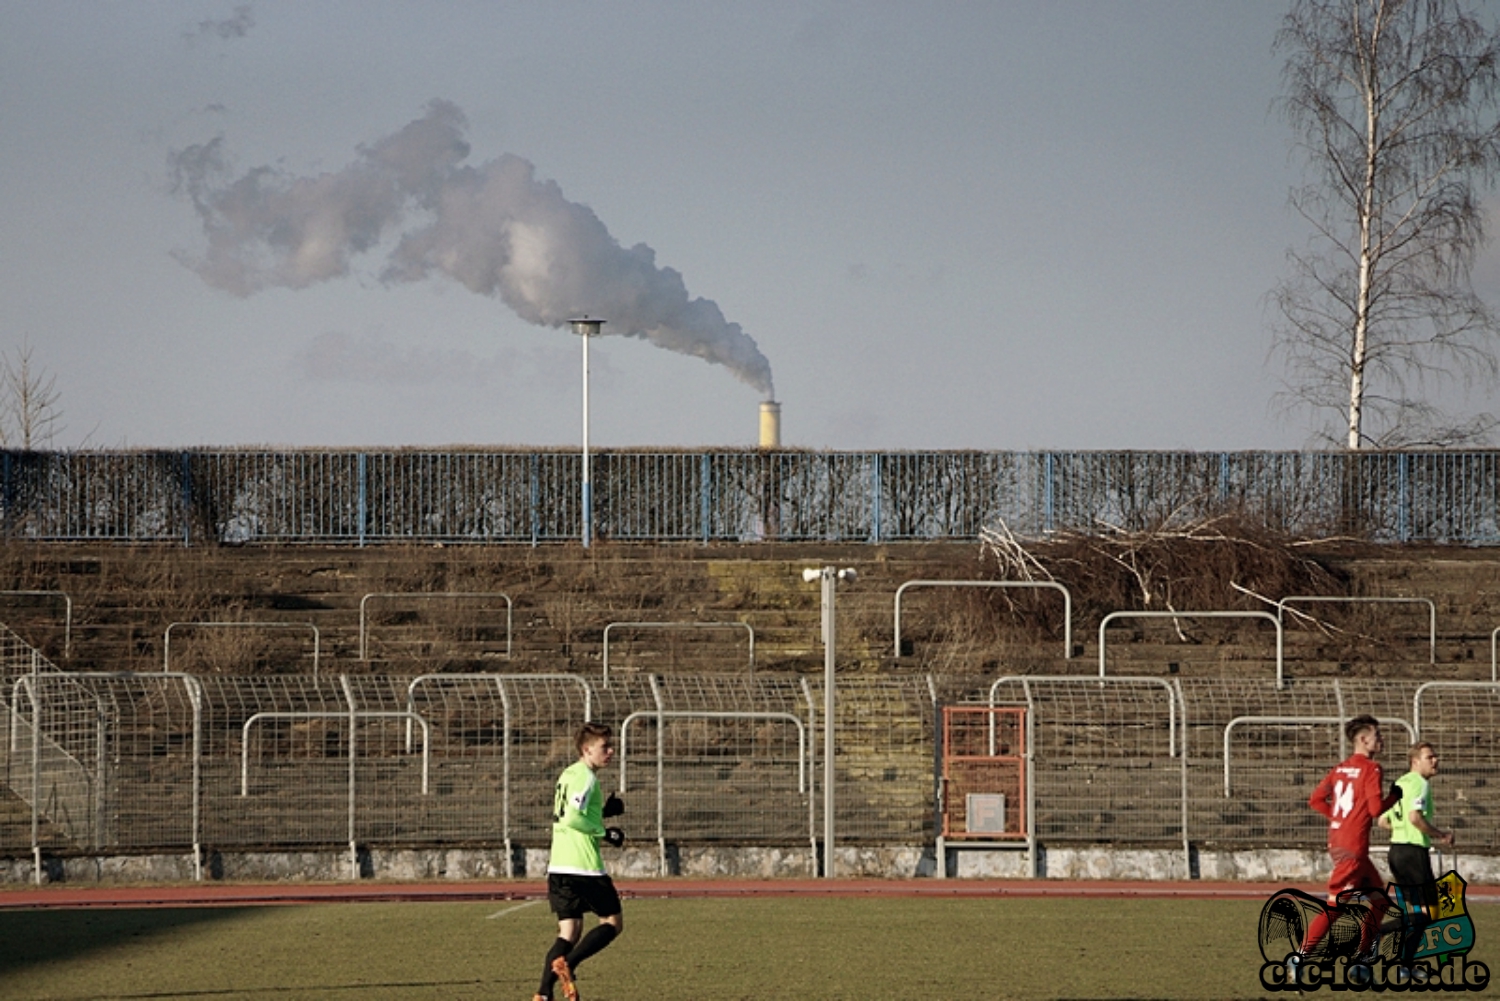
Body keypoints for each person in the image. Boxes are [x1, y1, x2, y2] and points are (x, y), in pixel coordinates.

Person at [1296, 714, 1403, 965]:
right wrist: (1395, 796)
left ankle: (1363, 955)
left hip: (1342, 843)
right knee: (1336, 905)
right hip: (1352, 847)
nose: (1382, 740)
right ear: (1364, 740)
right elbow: (1376, 810)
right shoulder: (1372, 768)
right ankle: (1300, 958)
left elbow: (1315, 800)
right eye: (1378, 735)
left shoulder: (1340, 769)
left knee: (1379, 901)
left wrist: (1339, 818)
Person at [534, 723, 626, 1001]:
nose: (610, 752)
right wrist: (604, 831)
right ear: (587, 749)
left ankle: (543, 993)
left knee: (569, 932)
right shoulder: (586, 777)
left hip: (559, 866)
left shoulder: (568, 774)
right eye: (604, 747)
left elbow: (569, 811)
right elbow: (572, 817)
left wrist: (601, 812)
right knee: (612, 923)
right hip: (583, 866)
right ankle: (568, 965)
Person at [1379, 741, 1454, 952]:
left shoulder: (1400, 783)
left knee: (1420, 912)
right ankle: (1377, 934)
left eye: (1435, 756)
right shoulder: (1420, 783)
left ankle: (1406, 964)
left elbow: (1383, 821)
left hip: (1396, 852)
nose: (1435, 760)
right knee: (1429, 912)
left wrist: (1401, 829)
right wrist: (1440, 834)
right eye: (1429, 757)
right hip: (1413, 853)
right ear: (1415, 761)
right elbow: (1414, 817)